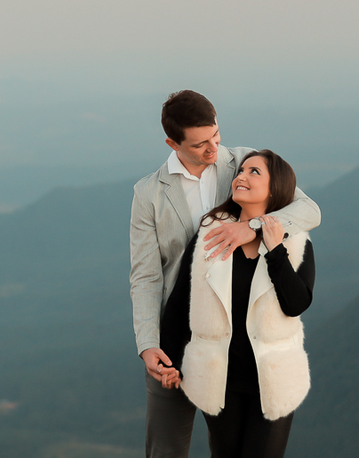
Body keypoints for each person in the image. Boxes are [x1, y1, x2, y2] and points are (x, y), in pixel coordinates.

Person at [129, 91, 320, 458]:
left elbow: (308, 210)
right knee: (166, 448)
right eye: (200, 144)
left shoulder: (241, 164)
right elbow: (146, 276)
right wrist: (149, 343)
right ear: (173, 143)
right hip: (175, 331)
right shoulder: (149, 193)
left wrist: (253, 227)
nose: (214, 147)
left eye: (216, 135)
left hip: (242, 350)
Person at [157, 150, 315, 458]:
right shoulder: (210, 235)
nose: (241, 176)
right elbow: (180, 303)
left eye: (254, 172)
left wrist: (274, 249)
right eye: (241, 170)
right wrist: (170, 362)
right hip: (218, 380)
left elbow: (296, 303)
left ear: (276, 187)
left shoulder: (296, 243)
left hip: (273, 380)